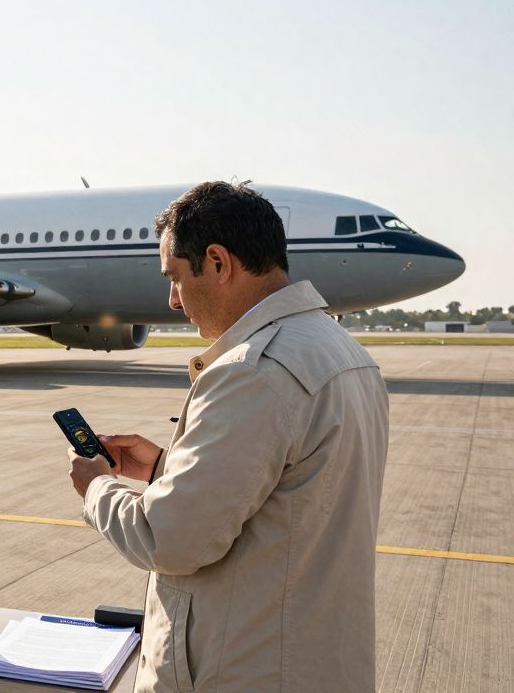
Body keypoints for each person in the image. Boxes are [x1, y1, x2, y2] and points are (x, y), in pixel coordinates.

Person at [67, 181, 389, 692]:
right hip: (316, 661)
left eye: (174, 277)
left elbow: (168, 540)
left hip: (246, 670)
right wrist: (161, 470)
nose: (173, 301)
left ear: (217, 263)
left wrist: (97, 487)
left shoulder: (252, 372)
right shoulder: (344, 354)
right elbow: (289, 491)